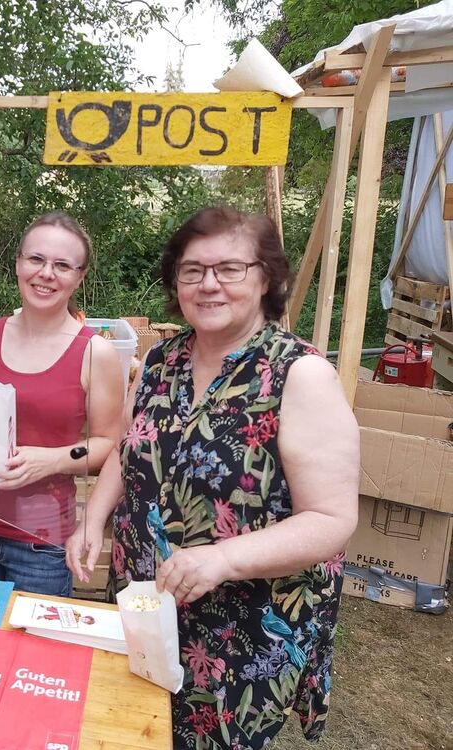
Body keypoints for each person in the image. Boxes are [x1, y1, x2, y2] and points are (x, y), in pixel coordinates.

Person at [66, 207, 359, 750]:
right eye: (191, 270)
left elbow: (332, 520)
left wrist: (223, 559)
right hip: (147, 599)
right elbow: (130, 448)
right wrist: (94, 516)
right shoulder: (161, 359)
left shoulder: (300, 375)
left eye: (229, 268)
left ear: (266, 276)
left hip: (244, 627)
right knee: (132, 730)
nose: (208, 284)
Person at [0, 213, 124, 597]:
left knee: (32, 650)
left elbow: (107, 446)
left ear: (79, 277)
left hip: (41, 543)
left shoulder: (94, 353)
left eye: (62, 265)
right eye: (36, 259)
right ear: (18, 263)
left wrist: (53, 459)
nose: (46, 273)